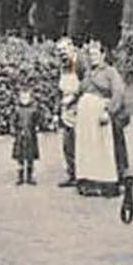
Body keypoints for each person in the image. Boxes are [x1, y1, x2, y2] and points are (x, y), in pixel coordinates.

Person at [74, 41, 123, 197]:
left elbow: (118, 93)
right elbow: (80, 91)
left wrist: (108, 111)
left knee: (103, 148)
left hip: (100, 113)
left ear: (103, 55)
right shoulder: (88, 73)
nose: (93, 57)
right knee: (87, 148)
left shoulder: (110, 72)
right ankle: (88, 181)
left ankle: (107, 182)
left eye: (96, 54)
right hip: (85, 116)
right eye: (90, 54)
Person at [56, 38, 83, 187]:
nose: (62, 53)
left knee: (80, 142)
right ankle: (71, 173)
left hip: (79, 107)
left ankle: (82, 175)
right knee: (67, 143)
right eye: (59, 51)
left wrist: (74, 98)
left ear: (72, 47)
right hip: (66, 109)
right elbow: (59, 90)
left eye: (64, 49)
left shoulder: (80, 63)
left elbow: (87, 84)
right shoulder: (62, 65)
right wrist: (56, 112)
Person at [10, 86, 42, 186]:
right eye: (22, 98)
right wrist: (12, 129)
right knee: (20, 157)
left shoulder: (34, 109)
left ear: (31, 98)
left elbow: (38, 119)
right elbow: (12, 120)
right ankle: (20, 176)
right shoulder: (17, 109)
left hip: (31, 135)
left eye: (26, 98)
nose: (24, 100)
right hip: (20, 135)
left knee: (30, 156)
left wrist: (38, 126)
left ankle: (29, 176)